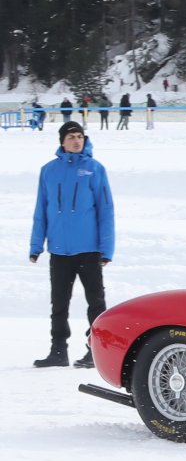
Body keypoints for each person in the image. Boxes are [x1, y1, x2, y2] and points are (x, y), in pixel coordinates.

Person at [30, 121, 115, 368]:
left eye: (80, 136)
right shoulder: (48, 171)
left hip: (89, 250)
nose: (77, 141)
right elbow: (41, 210)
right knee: (59, 304)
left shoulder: (95, 169)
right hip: (59, 250)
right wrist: (36, 245)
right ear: (62, 142)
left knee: (96, 303)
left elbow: (106, 211)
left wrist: (106, 249)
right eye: (71, 137)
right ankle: (58, 351)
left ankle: (96, 352)